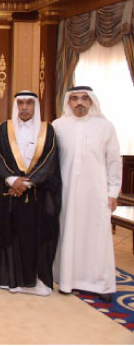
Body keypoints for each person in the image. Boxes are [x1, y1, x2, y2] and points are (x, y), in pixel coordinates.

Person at [52, 86, 122, 303]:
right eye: (74, 99)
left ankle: (101, 284)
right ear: (68, 102)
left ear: (91, 101)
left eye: (84, 98)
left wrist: (112, 192)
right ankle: (67, 281)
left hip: (97, 193)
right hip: (66, 192)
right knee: (68, 233)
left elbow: (114, 161)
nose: (79, 102)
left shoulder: (105, 126)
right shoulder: (58, 126)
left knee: (98, 238)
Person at [0, 91, 61, 296]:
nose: (24, 107)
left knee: (37, 236)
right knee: (11, 234)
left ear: (35, 106)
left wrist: (28, 183)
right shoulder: (5, 128)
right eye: (21, 103)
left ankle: (39, 281)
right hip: (11, 193)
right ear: (16, 105)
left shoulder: (47, 129)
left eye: (29, 103)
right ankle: (10, 279)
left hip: (38, 194)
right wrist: (13, 180)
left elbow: (50, 160)